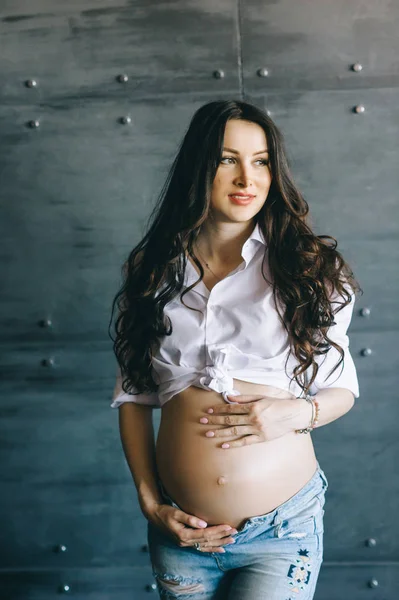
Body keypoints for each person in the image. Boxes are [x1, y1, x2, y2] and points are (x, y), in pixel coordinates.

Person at [108, 100, 362, 599]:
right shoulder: (154, 271)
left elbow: (343, 391)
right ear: (198, 168)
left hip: (282, 532)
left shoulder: (309, 271)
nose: (247, 177)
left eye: (262, 161)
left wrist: (290, 415)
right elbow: (135, 399)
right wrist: (150, 503)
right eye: (227, 159)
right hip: (182, 534)